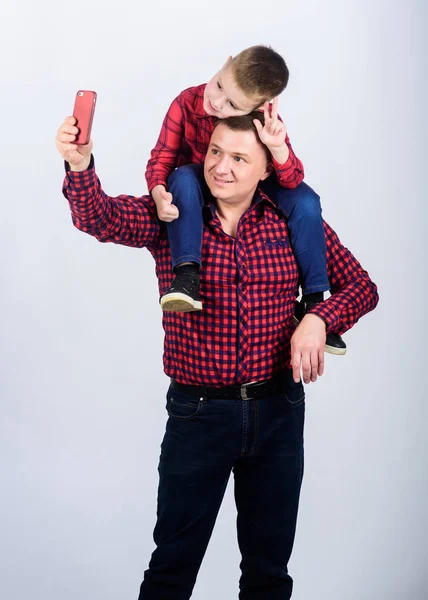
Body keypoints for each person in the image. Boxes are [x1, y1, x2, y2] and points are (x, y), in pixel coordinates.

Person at [56, 111, 379, 599]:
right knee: (171, 568)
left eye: (239, 158)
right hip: (198, 415)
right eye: (215, 152)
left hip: (279, 414)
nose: (221, 167)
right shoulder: (173, 212)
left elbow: (361, 287)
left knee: (268, 573)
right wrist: (80, 167)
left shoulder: (295, 220)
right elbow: (100, 217)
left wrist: (318, 318)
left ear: (267, 168)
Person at [146, 44, 347, 355]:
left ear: (260, 106)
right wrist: (158, 190)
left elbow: (291, 181)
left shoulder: (264, 121)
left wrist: (277, 147)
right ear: (224, 63)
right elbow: (162, 158)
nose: (216, 101)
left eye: (231, 105)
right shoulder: (187, 102)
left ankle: (312, 303)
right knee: (183, 176)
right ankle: (187, 275)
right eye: (219, 85)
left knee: (307, 200)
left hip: (250, 187)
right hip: (198, 184)